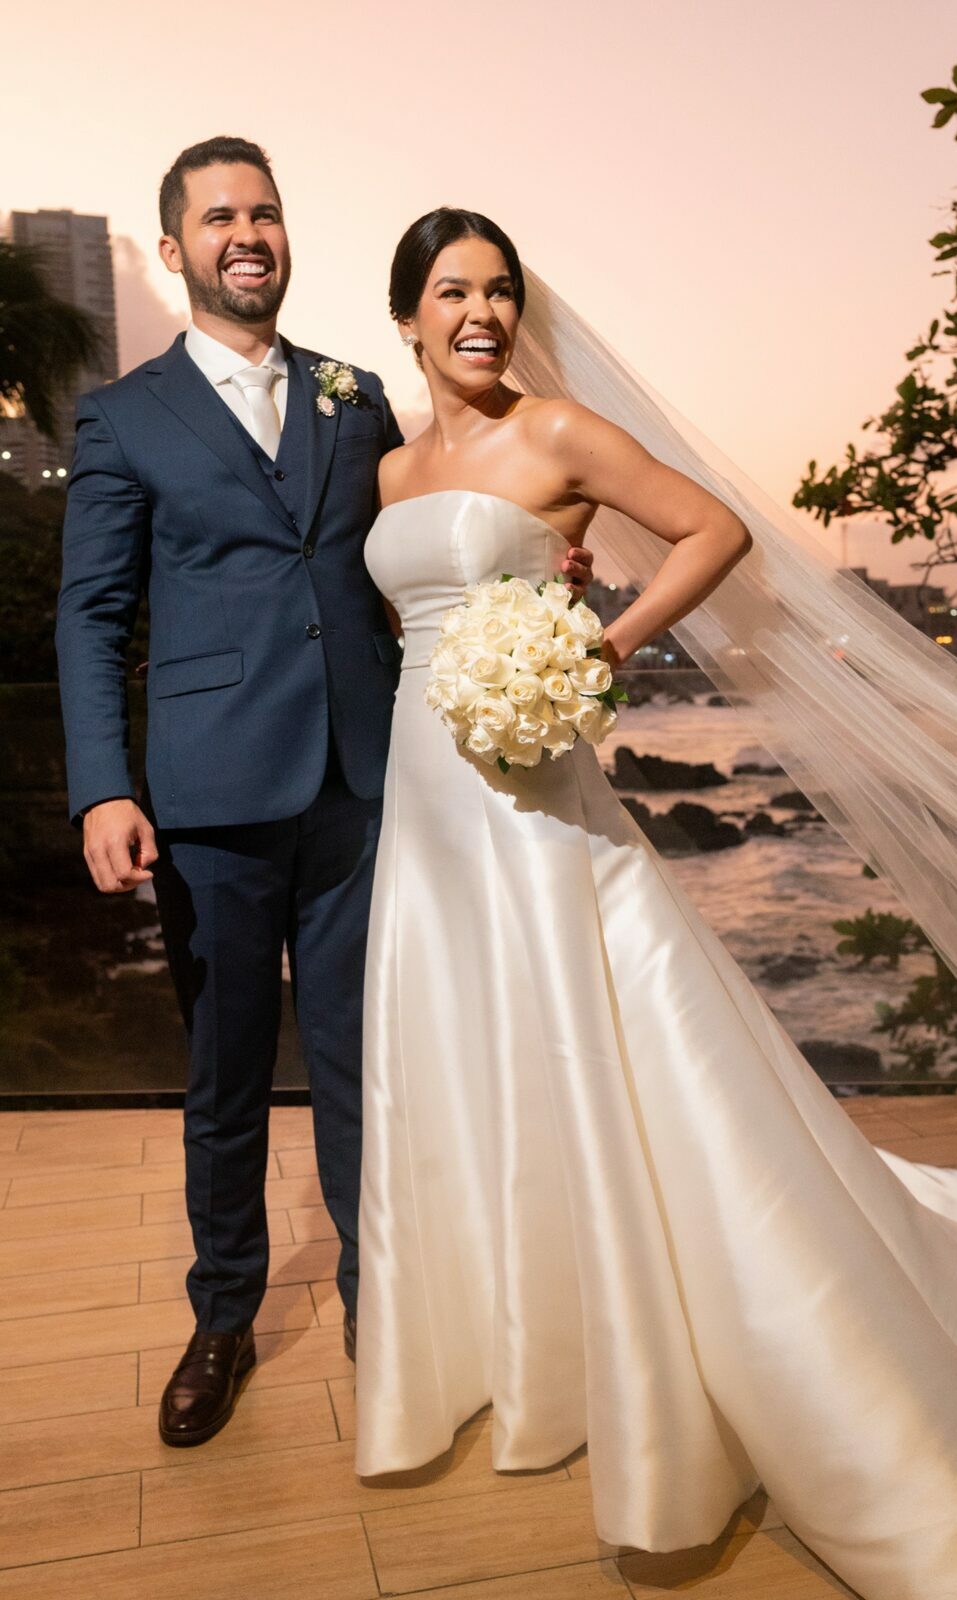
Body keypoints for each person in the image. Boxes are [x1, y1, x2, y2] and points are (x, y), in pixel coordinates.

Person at [354, 207, 957, 1599]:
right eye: (451, 292)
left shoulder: (558, 434)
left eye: (499, 291)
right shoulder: (388, 468)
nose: (481, 313)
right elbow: (413, 622)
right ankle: (527, 1340)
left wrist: (599, 647)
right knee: (470, 1051)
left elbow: (712, 528)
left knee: (605, 1047)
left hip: (532, 791)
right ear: (408, 317)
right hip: (425, 802)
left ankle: (669, 1355)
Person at [54, 139, 595, 1451]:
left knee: (368, 1064)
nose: (249, 233)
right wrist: (103, 790)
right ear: (176, 248)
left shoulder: (356, 398)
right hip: (210, 799)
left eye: (267, 212)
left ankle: (380, 1297)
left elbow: (418, 543)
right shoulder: (125, 417)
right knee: (228, 1075)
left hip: (366, 783)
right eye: (220, 217)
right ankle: (223, 1317)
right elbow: (93, 615)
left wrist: (540, 572)